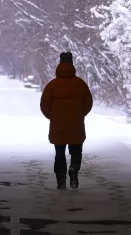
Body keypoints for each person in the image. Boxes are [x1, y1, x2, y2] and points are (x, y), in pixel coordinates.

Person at [40, 51, 93, 190]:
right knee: (76, 151)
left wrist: (53, 117)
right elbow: (88, 103)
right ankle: (74, 169)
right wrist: (79, 114)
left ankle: (61, 179)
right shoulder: (81, 84)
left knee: (59, 153)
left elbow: (44, 104)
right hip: (76, 124)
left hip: (58, 126)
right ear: (72, 64)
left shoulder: (52, 85)